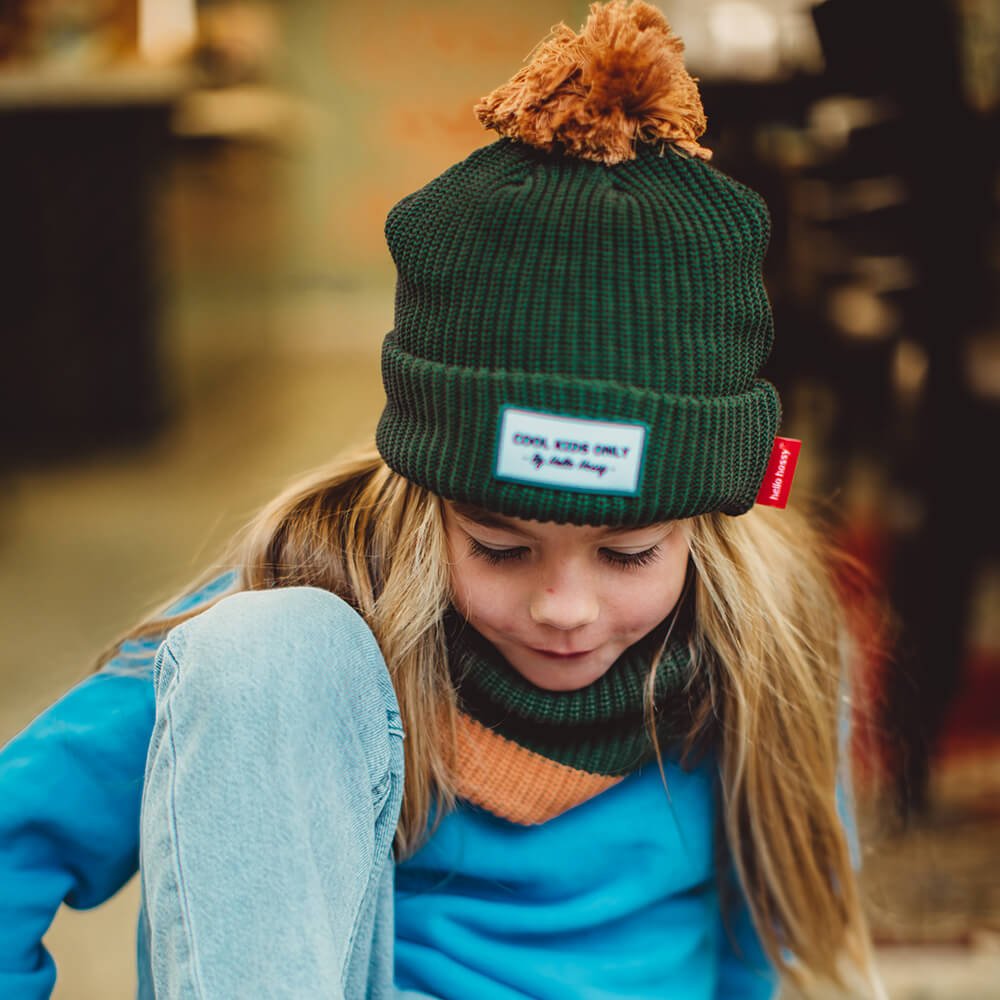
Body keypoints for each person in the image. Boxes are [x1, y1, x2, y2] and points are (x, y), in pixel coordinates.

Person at [0, 2, 886, 997]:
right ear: (432, 499)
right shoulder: (321, 591)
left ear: (704, 517)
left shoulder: (767, 635)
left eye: (627, 553)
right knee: (264, 648)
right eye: (500, 548)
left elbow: (778, 952)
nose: (563, 608)